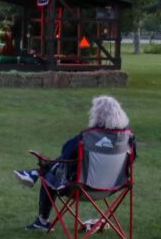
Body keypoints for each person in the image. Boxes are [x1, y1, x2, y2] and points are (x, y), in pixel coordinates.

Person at [14, 95, 131, 231]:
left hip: (82, 188)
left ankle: (42, 219)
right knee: (61, 166)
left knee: (49, 177)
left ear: (97, 115)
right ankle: (35, 173)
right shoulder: (127, 139)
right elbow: (128, 163)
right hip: (113, 188)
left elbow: (65, 152)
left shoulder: (88, 137)